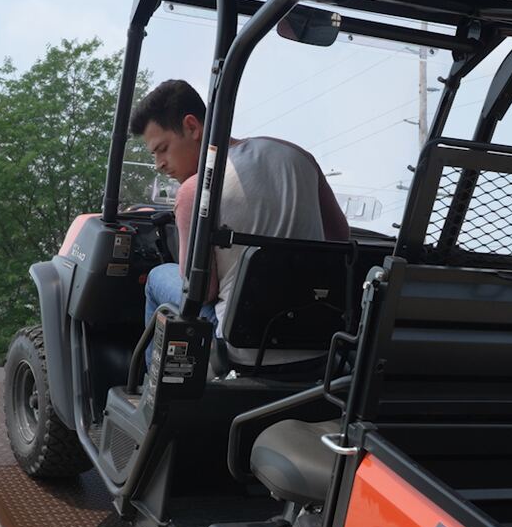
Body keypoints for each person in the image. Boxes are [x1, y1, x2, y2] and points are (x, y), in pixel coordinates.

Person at [128, 79, 349, 361]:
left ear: (192, 127)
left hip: (242, 346)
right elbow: (339, 237)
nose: (158, 164)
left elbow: (201, 293)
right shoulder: (299, 157)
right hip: (317, 344)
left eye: (162, 148)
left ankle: (150, 383)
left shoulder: (196, 191)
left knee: (157, 277)